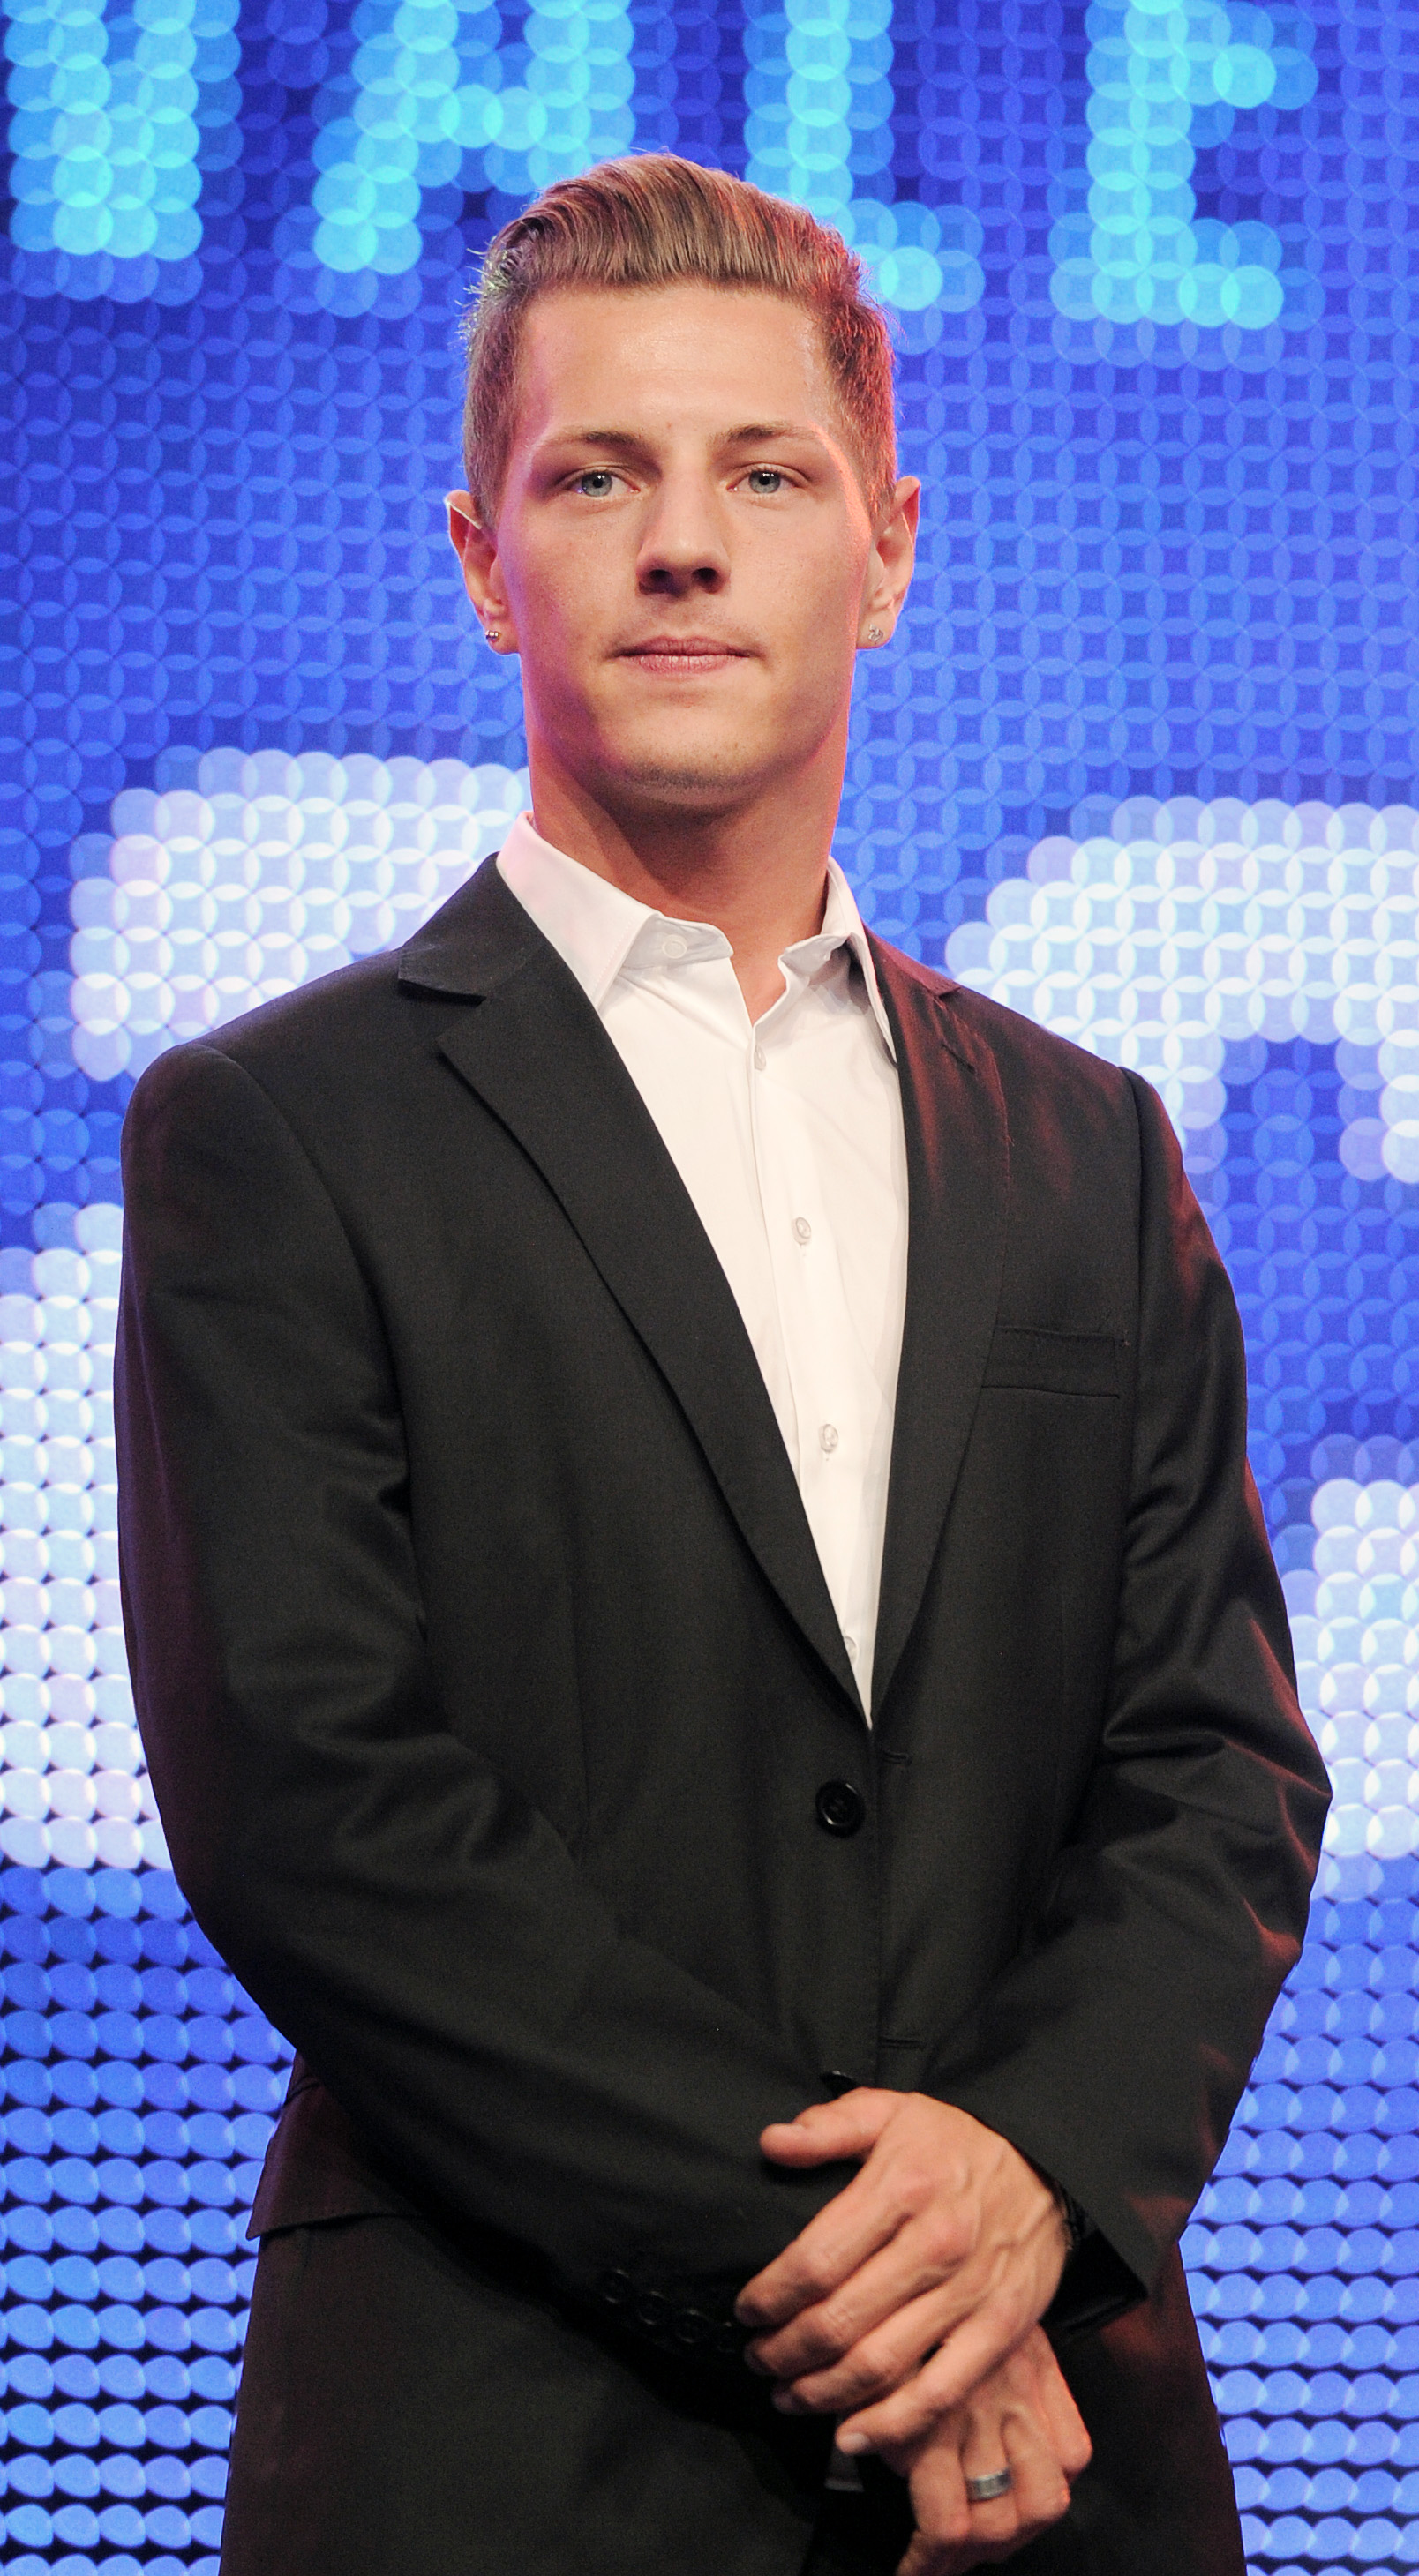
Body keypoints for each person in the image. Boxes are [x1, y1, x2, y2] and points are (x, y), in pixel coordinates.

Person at [116, 154, 1329, 2576]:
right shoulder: (276, 1128)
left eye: (765, 475)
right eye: (601, 476)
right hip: (511, 2451)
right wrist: (885, 2290)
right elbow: (320, 1810)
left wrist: (1035, 2181)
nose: (685, 545)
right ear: (482, 559)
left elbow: (1211, 1762)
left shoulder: (1089, 1144)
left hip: (1061, 2478)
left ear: (888, 546)